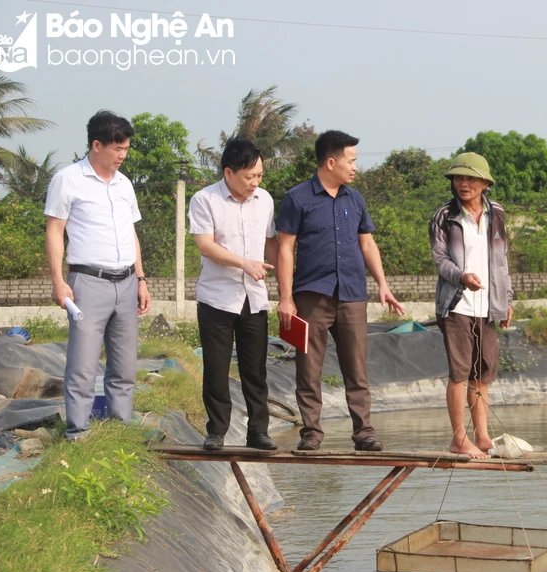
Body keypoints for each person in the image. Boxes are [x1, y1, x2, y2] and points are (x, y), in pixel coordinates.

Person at [276, 130, 404, 452]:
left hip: (352, 295)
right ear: (331, 162)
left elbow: (368, 243)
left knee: (357, 368)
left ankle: (364, 434)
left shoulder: (355, 199)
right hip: (310, 296)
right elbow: (285, 249)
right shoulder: (297, 198)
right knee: (308, 368)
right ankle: (311, 434)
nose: (355, 168)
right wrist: (286, 297)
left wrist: (383, 285)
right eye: (351, 161)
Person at [45, 110, 151, 440]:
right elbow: (54, 231)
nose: (123, 155)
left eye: (126, 149)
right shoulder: (68, 179)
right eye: (117, 149)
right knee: (83, 365)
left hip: (126, 282)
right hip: (88, 283)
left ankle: (120, 431)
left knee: (124, 365)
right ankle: (78, 433)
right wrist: (59, 282)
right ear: (96, 145)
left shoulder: (124, 184)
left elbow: (130, 233)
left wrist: (142, 279)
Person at [189, 139, 279, 451]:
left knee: (255, 369)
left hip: (254, 298)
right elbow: (205, 245)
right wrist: (244, 263)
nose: (255, 182)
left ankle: (258, 432)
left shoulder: (265, 200)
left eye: (259, 176)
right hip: (217, 298)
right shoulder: (204, 200)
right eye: (249, 176)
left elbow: (271, 243)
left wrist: (286, 278)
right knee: (216, 367)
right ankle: (216, 431)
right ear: (229, 172)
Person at [429, 152, 513, 458]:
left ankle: (482, 437)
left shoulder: (497, 214)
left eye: (470, 178)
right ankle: (459, 439)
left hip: (488, 306)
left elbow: (502, 261)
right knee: (460, 373)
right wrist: (461, 276)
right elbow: (440, 259)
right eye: (458, 178)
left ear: (484, 183)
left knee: (482, 374)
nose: (463, 184)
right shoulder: (444, 215)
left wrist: (507, 299)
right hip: (456, 305)